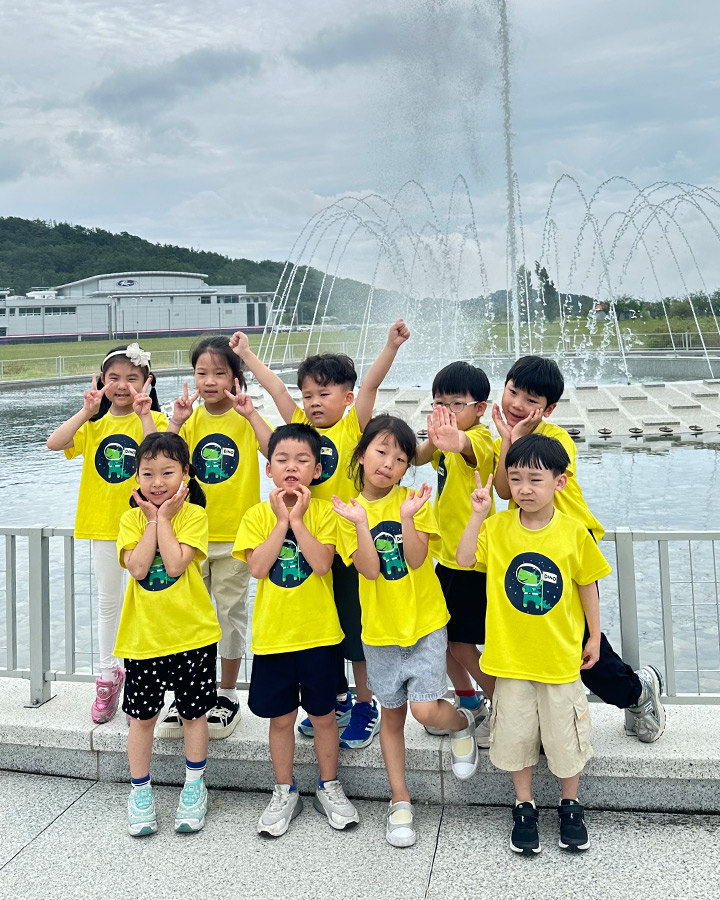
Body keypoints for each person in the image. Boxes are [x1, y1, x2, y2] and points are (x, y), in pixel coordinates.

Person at [230, 322, 409, 750]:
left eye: (323, 394)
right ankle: (335, 698)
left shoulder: (353, 429)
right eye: (308, 395)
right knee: (322, 629)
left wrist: (390, 346)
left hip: (348, 542)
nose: (312, 402)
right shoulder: (298, 428)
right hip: (308, 543)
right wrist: (247, 357)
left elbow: (370, 385)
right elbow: (276, 394)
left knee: (355, 625)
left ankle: (365, 704)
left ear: (345, 399)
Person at [492, 355, 666, 743]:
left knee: (580, 643)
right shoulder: (505, 435)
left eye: (531, 400)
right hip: (533, 547)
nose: (517, 403)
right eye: (513, 391)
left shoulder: (556, 439)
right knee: (545, 636)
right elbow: (504, 490)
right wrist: (506, 439)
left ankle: (637, 693)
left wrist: (513, 438)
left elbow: (536, 474)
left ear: (549, 409)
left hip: (569, 545)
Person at [457, 433, 612, 854]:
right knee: (515, 735)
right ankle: (523, 805)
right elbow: (466, 558)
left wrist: (594, 636)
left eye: (535, 479)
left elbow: (587, 584)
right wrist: (477, 515)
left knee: (566, 738)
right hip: (510, 659)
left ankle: (570, 804)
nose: (524, 489)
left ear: (560, 482)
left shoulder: (574, 532)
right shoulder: (497, 527)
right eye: (516, 479)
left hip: (559, 658)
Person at [333, 414, 478, 849]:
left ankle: (462, 722)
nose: (389, 464)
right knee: (392, 716)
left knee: (426, 710)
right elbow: (369, 569)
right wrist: (361, 523)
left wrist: (408, 518)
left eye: (400, 458)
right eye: (381, 452)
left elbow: (415, 560)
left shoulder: (415, 500)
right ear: (362, 455)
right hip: (380, 632)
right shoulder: (346, 512)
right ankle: (400, 799)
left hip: (425, 624)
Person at [233, 423, 359, 837]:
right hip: (274, 637)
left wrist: (298, 521)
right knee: (281, 719)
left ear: (317, 470)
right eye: (282, 460)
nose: (292, 467)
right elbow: (257, 568)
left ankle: (329, 786)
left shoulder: (325, 513)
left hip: (320, 636)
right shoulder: (256, 515)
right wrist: (280, 522)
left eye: (302, 460)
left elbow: (322, 564)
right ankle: (284, 790)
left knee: (324, 717)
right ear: (268, 469)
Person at [147, 335, 272, 740]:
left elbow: (275, 451)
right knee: (188, 616)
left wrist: (251, 414)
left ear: (236, 377)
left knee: (230, 615)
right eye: (202, 373)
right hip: (190, 535)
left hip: (236, 536)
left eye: (220, 373)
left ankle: (227, 693)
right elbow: (159, 458)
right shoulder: (190, 419)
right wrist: (177, 421)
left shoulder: (245, 415)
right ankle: (187, 694)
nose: (210, 381)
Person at [46, 343, 167, 723]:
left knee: (146, 602)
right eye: (114, 378)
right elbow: (54, 443)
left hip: (146, 526)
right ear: (101, 381)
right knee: (108, 602)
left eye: (132, 378)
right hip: (103, 526)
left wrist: (145, 414)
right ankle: (108, 674)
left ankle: (143, 677)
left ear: (147, 382)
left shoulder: (155, 420)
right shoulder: (94, 425)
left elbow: (159, 453)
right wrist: (87, 410)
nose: (122, 385)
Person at [115, 432, 221, 837]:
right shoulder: (130, 520)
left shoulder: (194, 516)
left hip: (192, 635)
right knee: (142, 719)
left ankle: (194, 785)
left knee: (194, 714)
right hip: (144, 638)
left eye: (167, 472)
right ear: (136, 478)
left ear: (185, 475)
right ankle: (140, 790)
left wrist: (164, 519)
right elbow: (139, 568)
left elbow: (175, 564)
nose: (157, 482)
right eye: (148, 474)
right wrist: (153, 521)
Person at [415, 361, 496, 742]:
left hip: (472, 561)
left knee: (462, 641)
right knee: (442, 638)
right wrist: (435, 436)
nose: (446, 411)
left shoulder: (481, 438)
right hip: (446, 558)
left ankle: (504, 704)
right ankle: (469, 700)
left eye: (456, 404)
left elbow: (466, 448)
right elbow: (418, 457)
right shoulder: (445, 443)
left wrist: (453, 438)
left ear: (479, 408)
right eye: (439, 403)